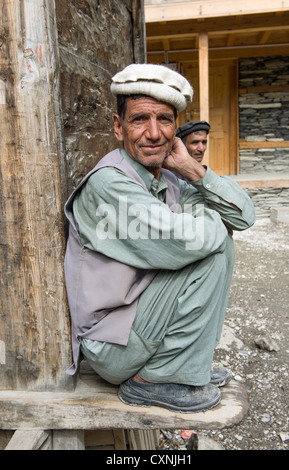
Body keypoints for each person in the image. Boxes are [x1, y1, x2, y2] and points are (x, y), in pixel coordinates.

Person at [64, 63, 255, 413]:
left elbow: (243, 216)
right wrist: (211, 221)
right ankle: (155, 380)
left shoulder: (168, 178)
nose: (153, 133)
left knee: (216, 244)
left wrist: (192, 171)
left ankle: (186, 366)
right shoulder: (110, 183)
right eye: (139, 120)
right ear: (119, 128)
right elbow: (198, 240)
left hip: (138, 322)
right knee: (212, 251)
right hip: (111, 342)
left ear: (175, 129)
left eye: (164, 120)